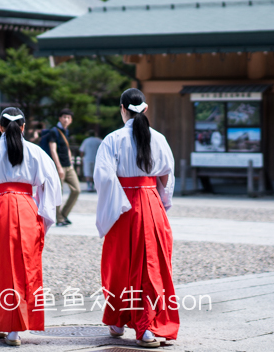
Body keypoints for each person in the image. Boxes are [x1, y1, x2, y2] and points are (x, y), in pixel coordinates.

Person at [0, 108, 62, 347]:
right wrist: (41, 208)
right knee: (25, 265)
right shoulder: (35, 151)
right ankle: (15, 329)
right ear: (23, 127)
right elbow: (52, 183)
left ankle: (0, 323)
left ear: (0, 127)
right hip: (27, 209)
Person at [95, 88, 178, 348]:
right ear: (145, 109)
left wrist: (113, 207)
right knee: (152, 266)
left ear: (122, 108)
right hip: (150, 202)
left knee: (119, 264)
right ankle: (147, 327)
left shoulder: (112, 139)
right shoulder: (159, 138)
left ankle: (119, 320)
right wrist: (161, 201)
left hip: (123, 206)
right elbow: (167, 175)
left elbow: (104, 178)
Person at [45, 108, 79, 226]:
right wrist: (59, 167)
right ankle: (59, 218)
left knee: (76, 190)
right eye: (64, 117)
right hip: (59, 167)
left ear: (71, 120)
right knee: (59, 192)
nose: (66, 119)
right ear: (60, 118)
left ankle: (63, 214)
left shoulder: (66, 131)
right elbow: (53, 150)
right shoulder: (54, 131)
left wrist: (70, 162)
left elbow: (67, 148)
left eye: (68, 118)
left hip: (68, 166)